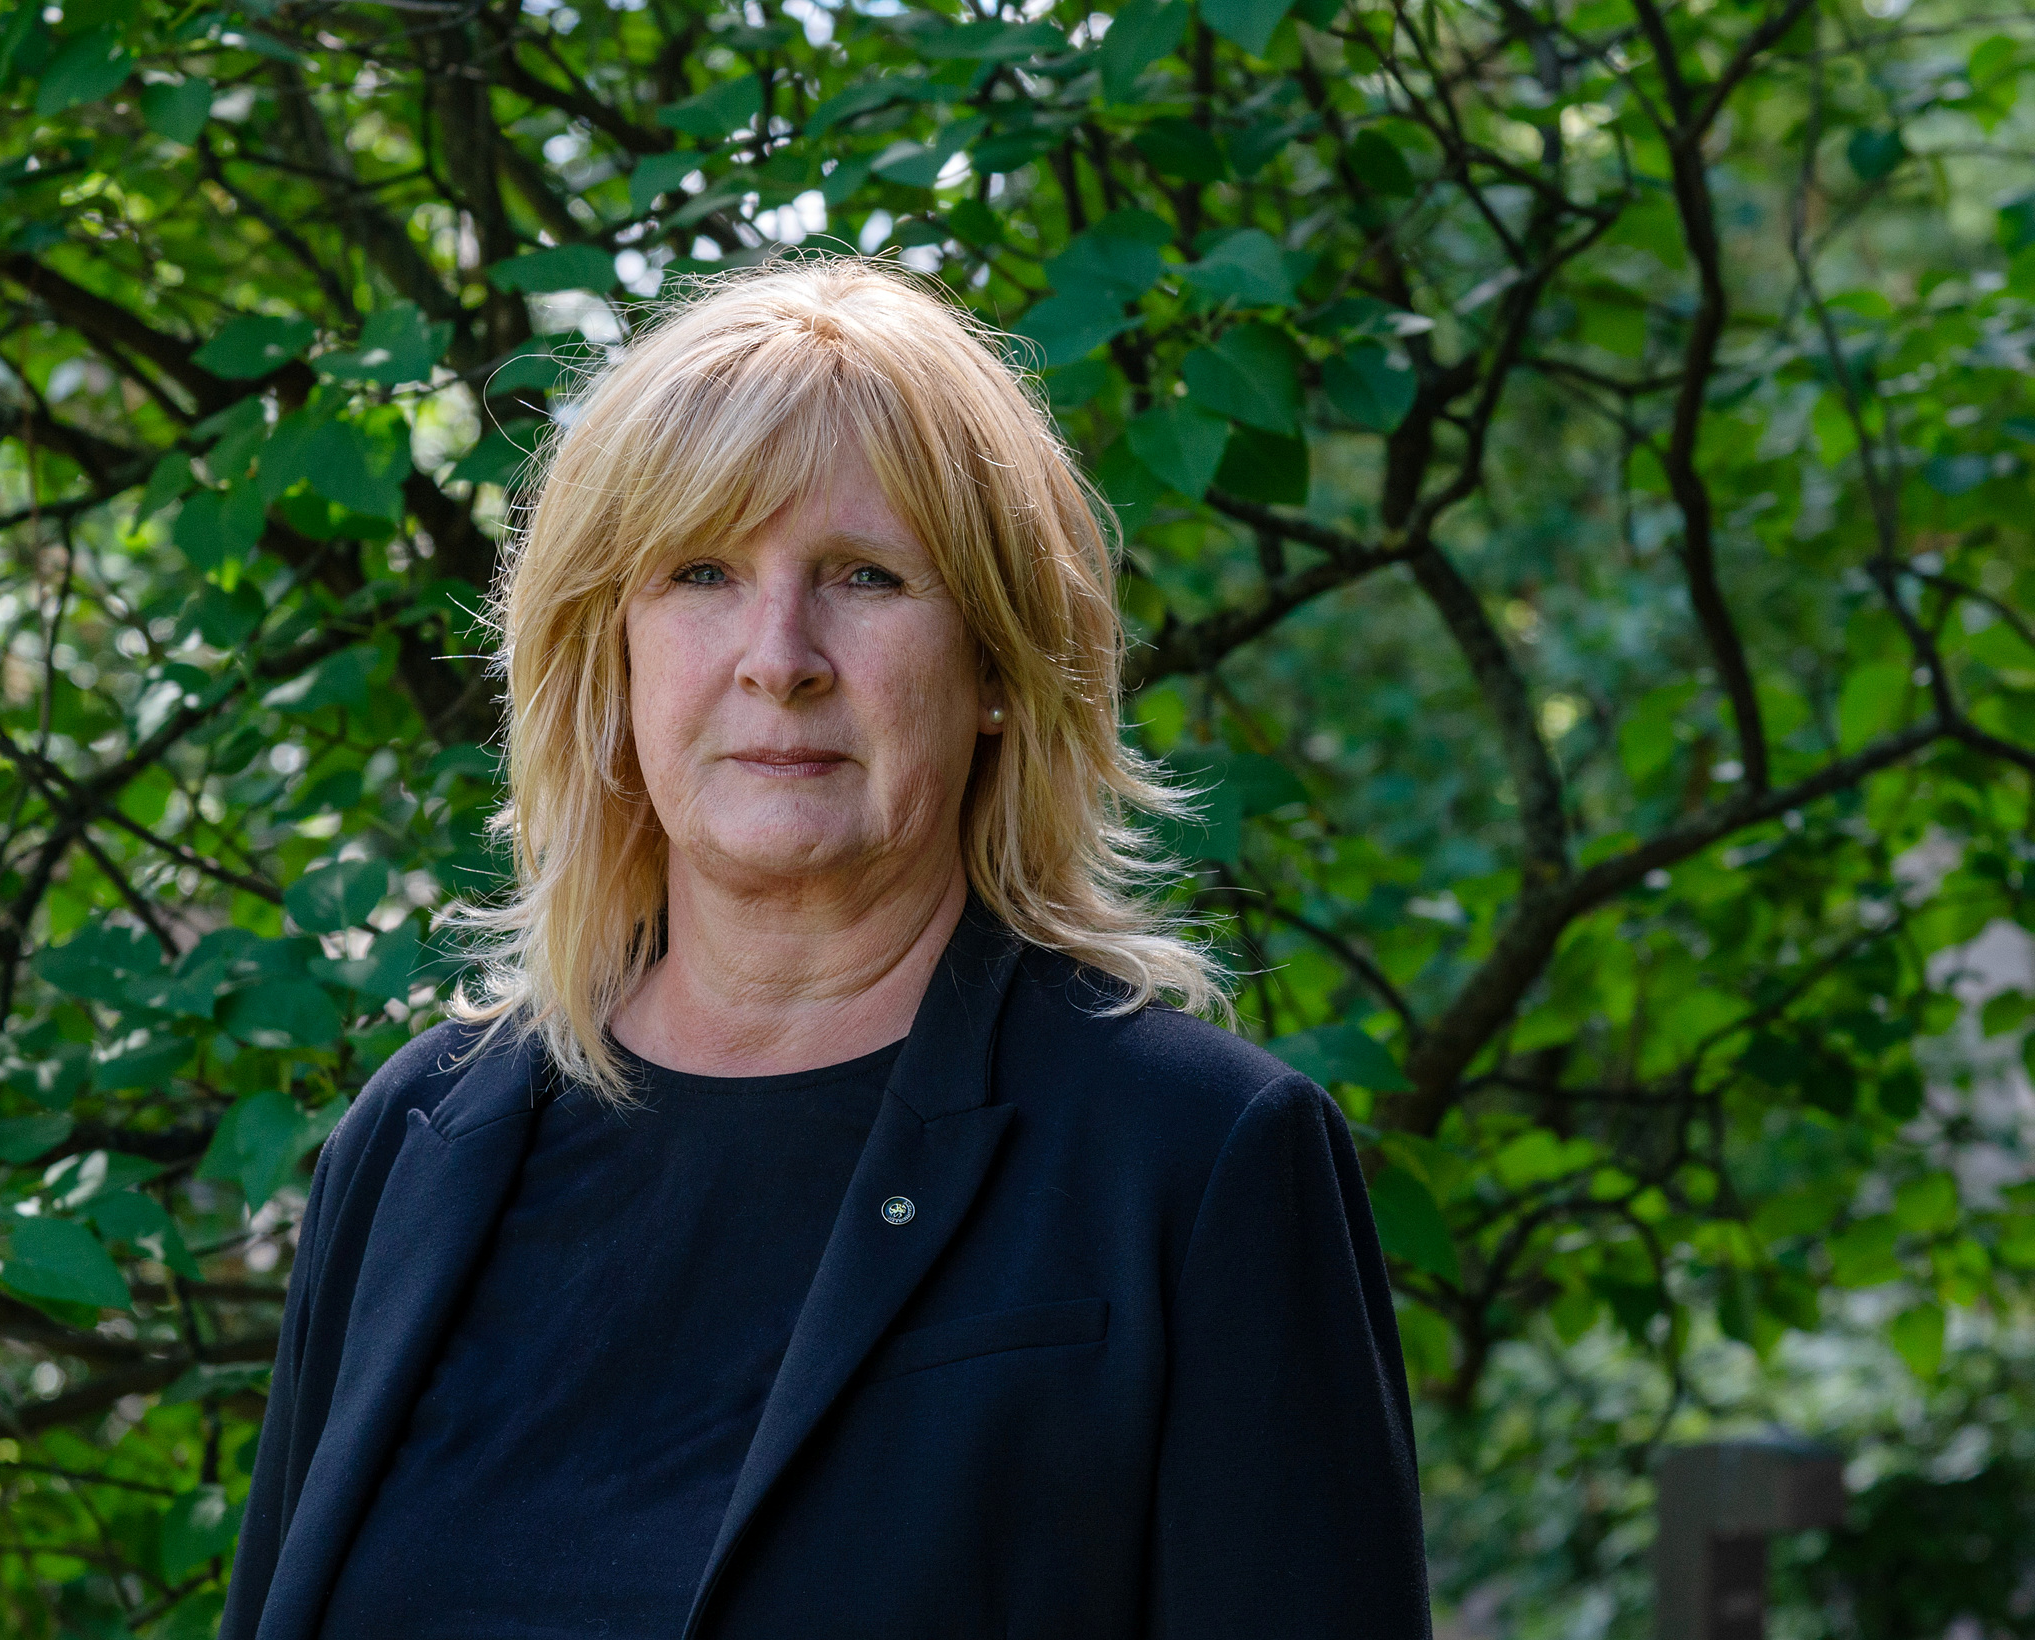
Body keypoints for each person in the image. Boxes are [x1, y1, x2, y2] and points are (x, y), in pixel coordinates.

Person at [220, 257, 1429, 1640]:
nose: (778, 656)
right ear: (611, 656)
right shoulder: (420, 1141)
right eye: (701, 573)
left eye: (866, 576)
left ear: (996, 666)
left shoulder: (1197, 1159)